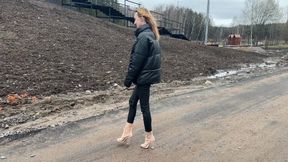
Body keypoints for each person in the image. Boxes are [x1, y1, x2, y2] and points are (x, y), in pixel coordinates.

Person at [116, 7, 161, 149]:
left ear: (141, 19)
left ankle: (149, 137)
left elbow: (136, 62)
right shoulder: (149, 34)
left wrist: (128, 80)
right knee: (132, 101)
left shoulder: (143, 37)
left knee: (145, 107)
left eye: (135, 19)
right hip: (145, 76)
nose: (134, 22)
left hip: (144, 78)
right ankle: (127, 132)